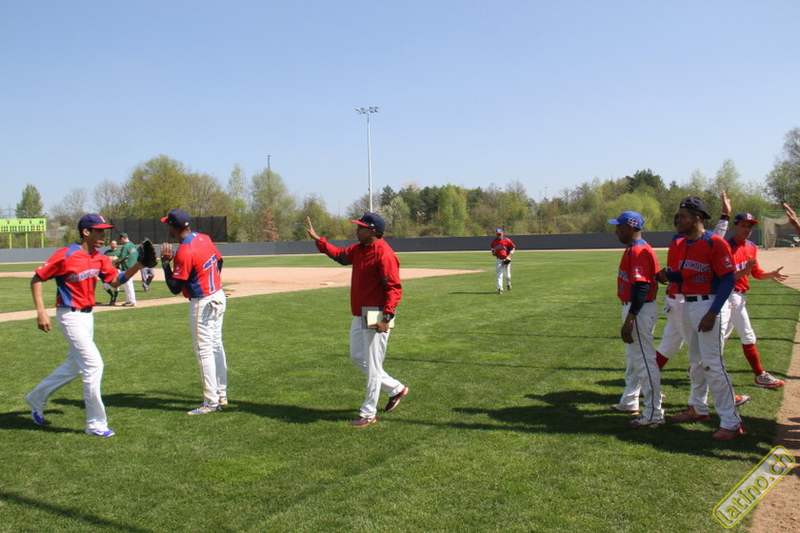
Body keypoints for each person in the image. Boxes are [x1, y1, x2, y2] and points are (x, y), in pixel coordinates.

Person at [24, 214, 145, 437]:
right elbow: (37, 278)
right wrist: (41, 312)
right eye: (99, 231)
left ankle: (36, 397)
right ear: (85, 232)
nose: (103, 235)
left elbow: (114, 281)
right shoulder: (66, 254)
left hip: (88, 317)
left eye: (104, 231)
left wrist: (139, 265)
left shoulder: (99, 258)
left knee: (75, 366)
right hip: (69, 315)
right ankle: (95, 424)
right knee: (94, 365)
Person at [306, 211, 408, 428]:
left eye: (361, 227)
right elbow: (340, 255)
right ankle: (395, 389)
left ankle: (368, 413)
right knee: (357, 357)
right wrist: (320, 241)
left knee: (373, 366)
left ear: (373, 231)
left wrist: (387, 317)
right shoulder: (360, 249)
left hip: (377, 314)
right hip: (360, 312)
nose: (356, 229)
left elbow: (394, 288)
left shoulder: (384, 253)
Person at [657, 196, 742, 440]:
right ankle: (698, 408)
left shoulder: (714, 242)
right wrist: (667, 276)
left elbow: (727, 280)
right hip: (690, 304)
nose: (677, 219)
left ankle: (731, 421)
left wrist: (713, 312)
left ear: (697, 218)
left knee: (712, 364)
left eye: (682, 216)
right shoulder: (685, 243)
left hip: (710, 304)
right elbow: (686, 275)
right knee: (695, 361)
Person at [160, 209, 228, 415]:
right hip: (218, 295)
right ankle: (221, 394)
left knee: (204, 350)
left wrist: (165, 264)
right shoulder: (203, 238)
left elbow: (175, 287)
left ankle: (211, 402)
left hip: (203, 302)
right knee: (216, 346)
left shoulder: (185, 250)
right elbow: (219, 261)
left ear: (173, 228)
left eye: (168, 225)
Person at [607, 211, 663, 427]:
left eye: (619, 226)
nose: (616, 231)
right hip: (639, 308)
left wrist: (630, 319)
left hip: (638, 309)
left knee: (645, 361)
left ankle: (654, 412)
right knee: (634, 359)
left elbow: (641, 287)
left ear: (630, 227)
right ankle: (630, 401)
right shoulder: (638, 248)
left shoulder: (638, 250)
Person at [720, 212, 787, 388]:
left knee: (721, 336)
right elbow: (725, 278)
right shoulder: (726, 247)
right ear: (735, 226)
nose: (747, 229)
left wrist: (771, 274)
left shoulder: (751, 246)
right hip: (730, 295)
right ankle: (760, 375)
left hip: (740, 295)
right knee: (747, 334)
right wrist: (745, 271)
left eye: (749, 226)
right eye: (743, 225)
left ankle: (696, 368)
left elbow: (756, 273)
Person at [115, 232, 138, 307]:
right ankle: (129, 300)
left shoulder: (126, 246)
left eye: (121, 239)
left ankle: (131, 301)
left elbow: (122, 258)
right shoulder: (133, 245)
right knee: (129, 284)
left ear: (123, 238)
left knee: (128, 285)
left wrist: (114, 261)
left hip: (127, 267)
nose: (121, 241)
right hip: (133, 267)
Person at [490, 229, 515, 294]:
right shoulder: (494, 242)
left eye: (500, 234)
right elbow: (493, 251)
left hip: (506, 259)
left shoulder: (507, 240)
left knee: (507, 276)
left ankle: (508, 284)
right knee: (499, 274)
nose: (499, 235)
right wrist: (493, 253)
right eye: (497, 234)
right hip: (499, 259)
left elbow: (512, 248)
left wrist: (508, 256)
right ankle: (500, 289)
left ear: (502, 234)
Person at [104, 239, 121, 305]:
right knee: (105, 285)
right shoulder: (107, 252)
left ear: (116, 245)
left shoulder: (119, 253)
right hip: (108, 270)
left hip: (116, 270)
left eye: (114, 244)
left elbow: (121, 260)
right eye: (112, 243)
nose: (113, 245)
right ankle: (112, 295)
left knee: (116, 286)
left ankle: (114, 299)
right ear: (110, 244)